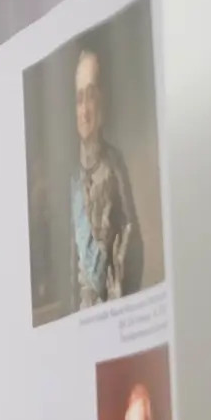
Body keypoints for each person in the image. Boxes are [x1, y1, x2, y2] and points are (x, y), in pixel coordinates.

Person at [69, 42, 144, 309]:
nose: (85, 111)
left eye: (91, 96)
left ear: (101, 99)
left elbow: (133, 239)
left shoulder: (114, 164)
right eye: (79, 99)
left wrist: (119, 288)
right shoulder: (69, 179)